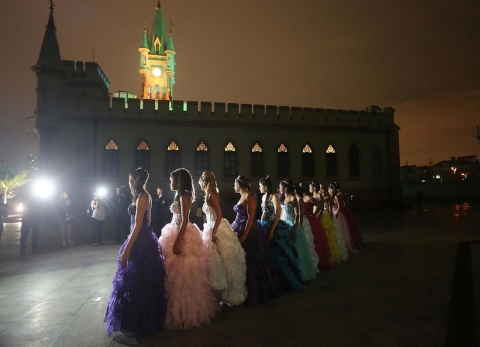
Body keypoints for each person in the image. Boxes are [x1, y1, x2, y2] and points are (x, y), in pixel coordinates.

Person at [105, 168, 167, 338]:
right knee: (139, 281)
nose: (128, 182)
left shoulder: (143, 197)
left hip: (140, 240)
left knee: (138, 282)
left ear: (133, 180)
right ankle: (141, 322)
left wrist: (126, 251)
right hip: (142, 238)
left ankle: (140, 324)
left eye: (129, 179)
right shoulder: (143, 196)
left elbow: (139, 225)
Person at [159, 168, 220, 330]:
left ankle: (188, 314)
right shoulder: (178, 195)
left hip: (182, 235)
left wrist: (178, 242)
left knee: (185, 275)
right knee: (175, 275)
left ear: (178, 181)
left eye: (172, 180)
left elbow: (185, 220)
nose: (170, 183)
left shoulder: (184, 196)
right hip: (174, 229)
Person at [230, 175, 282, 306]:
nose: (234, 186)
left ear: (240, 185)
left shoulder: (249, 197)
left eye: (235, 184)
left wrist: (245, 235)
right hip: (238, 226)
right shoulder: (242, 196)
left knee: (253, 261)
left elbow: (251, 218)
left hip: (249, 231)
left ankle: (255, 292)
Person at [199, 171, 247, 305]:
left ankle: (226, 293)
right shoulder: (207, 194)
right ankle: (217, 293)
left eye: (200, 182)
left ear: (204, 182)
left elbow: (219, 215)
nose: (200, 184)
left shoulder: (212, 195)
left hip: (216, 228)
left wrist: (214, 233)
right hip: (210, 226)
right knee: (213, 262)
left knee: (224, 261)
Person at [258, 176, 306, 291]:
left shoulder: (274, 196)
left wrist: (272, 230)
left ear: (265, 186)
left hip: (273, 226)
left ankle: (285, 280)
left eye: (260, 186)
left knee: (280, 254)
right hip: (263, 225)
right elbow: (263, 212)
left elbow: (278, 214)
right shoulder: (263, 196)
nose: (259, 188)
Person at [279, 180, 317, 282]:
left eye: (280, 187)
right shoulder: (283, 198)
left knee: (296, 248)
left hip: (291, 224)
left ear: (285, 188)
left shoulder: (293, 198)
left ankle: (299, 272)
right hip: (283, 224)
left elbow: (297, 215)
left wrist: (295, 228)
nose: (279, 189)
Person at [311, 182, 341, 264]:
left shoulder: (326, 197)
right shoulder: (313, 196)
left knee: (327, 233)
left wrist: (331, 217)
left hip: (324, 215)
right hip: (315, 213)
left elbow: (329, 209)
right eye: (319, 188)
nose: (320, 189)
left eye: (321, 188)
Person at [303, 186, 333, 269]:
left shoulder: (309, 197)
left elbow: (319, 205)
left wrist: (313, 214)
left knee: (316, 238)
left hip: (311, 219)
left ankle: (320, 259)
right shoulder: (302, 197)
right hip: (305, 219)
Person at [293, 184, 319, 269]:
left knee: (307, 240)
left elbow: (300, 214)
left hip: (303, 220)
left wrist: (300, 225)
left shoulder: (300, 199)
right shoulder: (296, 199)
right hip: (300, 220)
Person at [329, 183, 359, 254]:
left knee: (341, 228)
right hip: (332, 212)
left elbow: (339, 205)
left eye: (329, 189)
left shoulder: (336, 196)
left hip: (336, 212)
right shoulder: (330, 196)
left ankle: (345, 244)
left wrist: (336, 213)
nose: (328, 190)